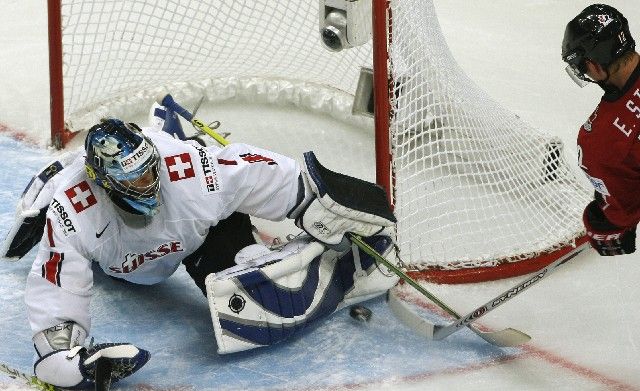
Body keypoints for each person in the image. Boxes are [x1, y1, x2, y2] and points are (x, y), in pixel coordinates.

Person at [1, 101, 399, 389]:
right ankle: (49, 176)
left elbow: (251, 173)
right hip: (129, 267)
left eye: (148, 171)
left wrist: (313, 199)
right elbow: (55, 276)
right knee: (82, 220)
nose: (147, 184)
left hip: (198, 238)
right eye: (133, 180)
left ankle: (350, 270)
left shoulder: (186, 169)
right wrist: (62, 350)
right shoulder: (75, 208)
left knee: (262, 299)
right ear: (104, 184)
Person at [561, 3, 640, 256]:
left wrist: (603, 224)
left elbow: (621, 215)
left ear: (594, 65)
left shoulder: (601, 140)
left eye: (583, 67)